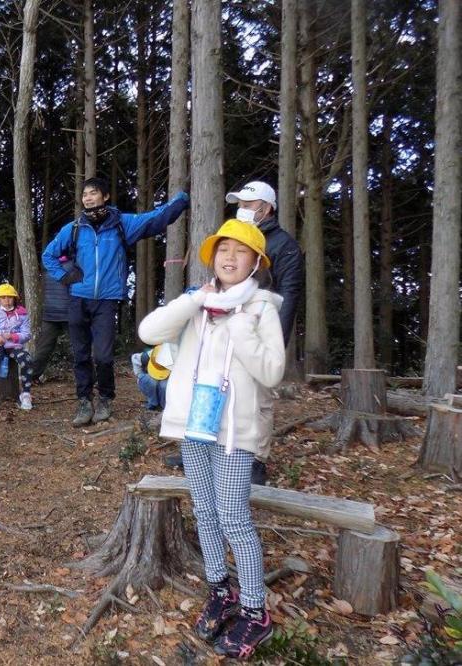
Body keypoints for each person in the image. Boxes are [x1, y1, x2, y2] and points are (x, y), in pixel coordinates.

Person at [138, 219, 285, 660]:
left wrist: (240, 326)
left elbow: (273, 372)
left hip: (236, 431)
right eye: (223, 250)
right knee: (204, 509)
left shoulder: (262, 309)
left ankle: (256, 611)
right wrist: (194, 302)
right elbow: (149, 332)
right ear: (212, 258)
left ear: (256, 262)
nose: (229, 258)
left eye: (241, 252)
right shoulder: (198, 303)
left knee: (233, 515)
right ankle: (221, 590)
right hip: (194, 425)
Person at [42, 177, 189, 426]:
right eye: (84, 194)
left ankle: (106, 400)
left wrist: (182, 200)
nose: (88, 198)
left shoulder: (122, 224)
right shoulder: (75, 228)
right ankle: (84, 402)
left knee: (104, 356)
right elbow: (49, 255)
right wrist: (66, 277)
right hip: (78, 299)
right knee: (80, 355)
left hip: (107, 301)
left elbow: (156, 218)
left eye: (93, 193)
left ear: (106, 196)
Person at [226, 180, 305, 485]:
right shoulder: (236, 238)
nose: (242, 210)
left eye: (248, 205)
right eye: (240, 205)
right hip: (229, 322)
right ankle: (213, 448)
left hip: (261, 327)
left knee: (260, 397)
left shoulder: (284, 246)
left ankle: (257, 459)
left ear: (266, 207)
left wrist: (276, 339)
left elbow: (290, 292)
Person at [0, 283, 34, 410]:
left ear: (15, 298)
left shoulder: (22, 313)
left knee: (26, 360)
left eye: (9, 297)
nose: (7, 300)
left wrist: (13, 336)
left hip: (14, 345)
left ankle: (25, 394)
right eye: (3, 297)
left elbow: (27, 334)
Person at [29, 259, 72, 383]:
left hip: (50, 313)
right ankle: (91, 378)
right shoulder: (76, 265)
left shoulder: (48, 265)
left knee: (43, 348)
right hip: (68, 313)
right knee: (78, 348)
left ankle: (32, 377)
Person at [131, 343, 174, 411]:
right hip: (150, 376)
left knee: (164, 385)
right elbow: (134, 358)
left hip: (168, 375)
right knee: (151, 381)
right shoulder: (148, 356)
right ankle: (153, 403)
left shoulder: (175, 357)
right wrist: (140, 375)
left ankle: (164, 405)